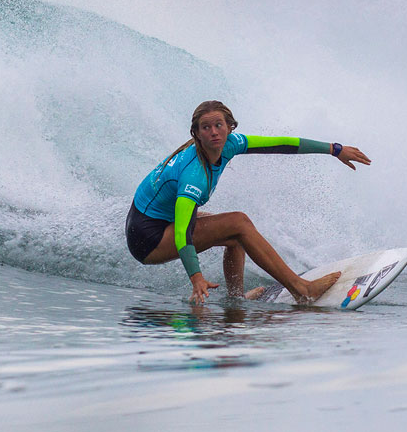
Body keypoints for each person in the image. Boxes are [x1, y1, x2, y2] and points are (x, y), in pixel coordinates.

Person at [126, 100, 371, 304]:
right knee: (238, 223)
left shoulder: (230, 144)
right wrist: (196, 277)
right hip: (148, 238)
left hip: (158, 219)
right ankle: (302, 289)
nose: (214, 132)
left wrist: (334, 149)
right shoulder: (194, 174)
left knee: (236, 232)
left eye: (219, 125)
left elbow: (281, 144)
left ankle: (236, 299)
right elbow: (182, 232)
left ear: (229, 127)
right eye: (206, 127)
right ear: (196, 133)